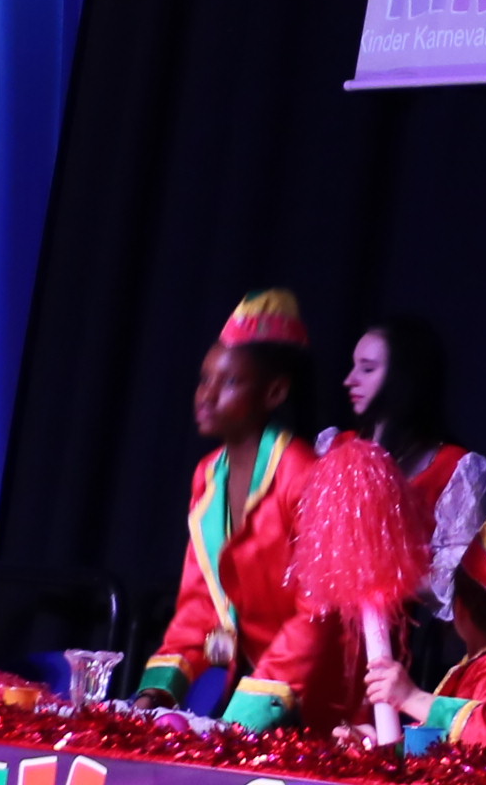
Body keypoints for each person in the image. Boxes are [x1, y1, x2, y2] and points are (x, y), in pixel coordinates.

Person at [134, 289, 349, 733]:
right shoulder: (208, 475)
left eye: (229, 382)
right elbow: (200, 604)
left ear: (275, 392)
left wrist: (242, 720)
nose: (206, 396)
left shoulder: (305, 476)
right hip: (255, 692)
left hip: (321, 702)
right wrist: (156, 692)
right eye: (204, 379)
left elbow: (317, 615)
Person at [323, 317, 486, 634]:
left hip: (399, 638)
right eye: (354, 366)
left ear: (402, 377)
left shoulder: (456, 470)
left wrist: (382, 579)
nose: (349, 380)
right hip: (319, 629)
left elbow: (454, 583)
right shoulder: (334, 448)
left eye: (367, 369)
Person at [369, 516, 486, 758]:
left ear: (460, 607)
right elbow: (442, 747)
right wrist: (376, 749)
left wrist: (412, 698)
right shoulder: (479, 666)